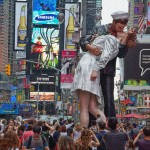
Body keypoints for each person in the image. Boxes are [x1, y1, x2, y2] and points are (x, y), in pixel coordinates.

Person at [79, 11, 136, 118]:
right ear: (113, 22)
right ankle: (92, 123)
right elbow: (83, 40)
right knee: (92, 97)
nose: (121, 29)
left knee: (109, 97)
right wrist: (90, 47)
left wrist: (126, 38)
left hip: (108, 70)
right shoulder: (100, 29)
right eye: (119, 26)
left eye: (123, 27)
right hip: (92, 67)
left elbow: (121, 54)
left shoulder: (124, 35)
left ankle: (111, 123)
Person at [71, 30, 134, 127]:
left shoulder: (112, 40)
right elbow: (84, 41)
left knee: (84, 107)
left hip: (89, 67)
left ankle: (84, 135)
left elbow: (104, 56)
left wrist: (95, 69)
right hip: (94, 69)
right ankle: (107, 127)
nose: (122, 31)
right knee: (92, 107)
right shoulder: (115, 46)